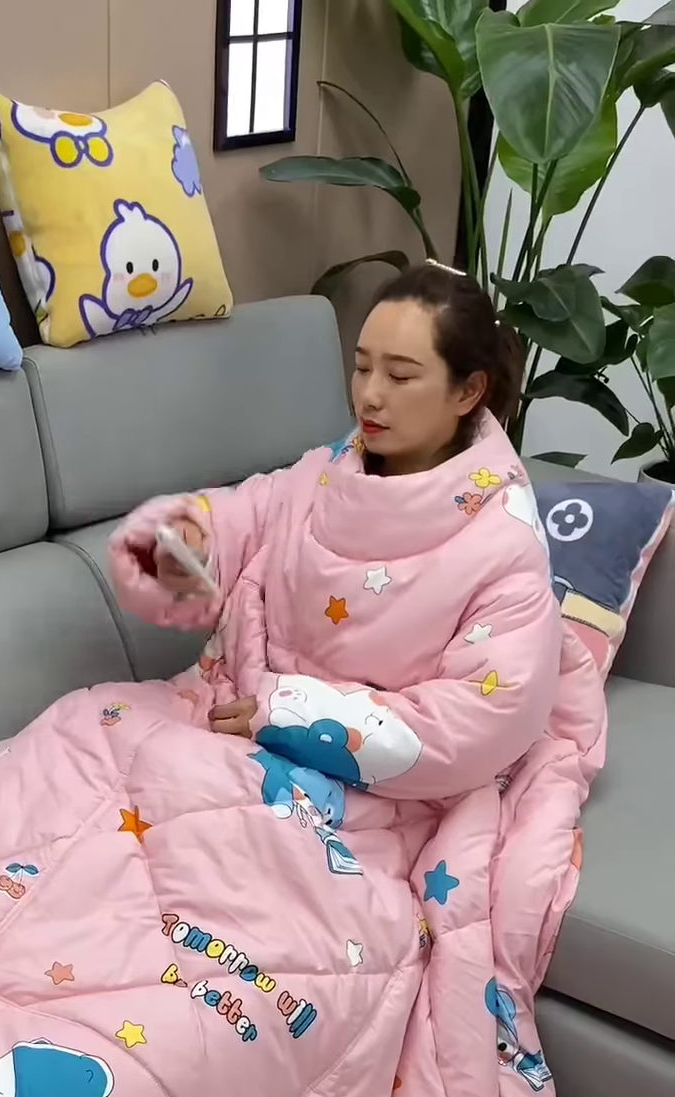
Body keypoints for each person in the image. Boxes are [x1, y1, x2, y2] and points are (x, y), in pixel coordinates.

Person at [107, 262, 562, 804]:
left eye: (399, 376)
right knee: (79, 749)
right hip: (227, 710)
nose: (369, 395)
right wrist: (188, 544)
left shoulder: (503, 542)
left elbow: (483, 717)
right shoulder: (327, 471)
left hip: (362, 783)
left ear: (468, 391)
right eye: (362, 367)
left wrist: (289, 717)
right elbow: (248, 513)